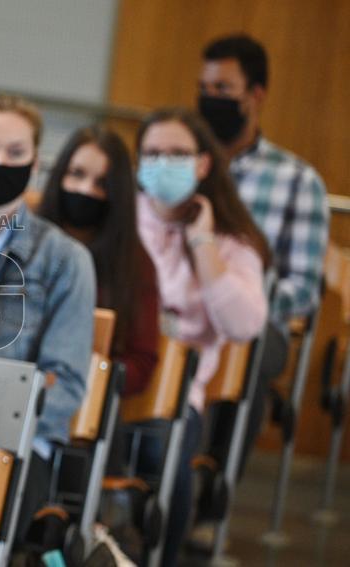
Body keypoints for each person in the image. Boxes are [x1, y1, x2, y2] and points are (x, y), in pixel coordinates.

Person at [0, 94, 96, 545]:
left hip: (18, 447)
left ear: (35, 163)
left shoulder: (66, 259)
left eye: (15, 153)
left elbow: (65, 385)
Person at [134, 108, 269, 567]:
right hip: (110, 375)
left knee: (165, 452)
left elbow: (244, 325)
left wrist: (202, 243)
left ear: (203, 163)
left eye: (177, 154)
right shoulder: (121, 218)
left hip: (175, 393)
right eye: (153, 154)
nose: (163, 164)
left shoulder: (230, 240)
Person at [198, 33, 330, 480]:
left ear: (256, 95)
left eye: (223, 89)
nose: (210, 98)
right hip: (180, 306)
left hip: (256, 324)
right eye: (204, 88)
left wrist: (239, 302)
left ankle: (213, 492)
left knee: (247, 350)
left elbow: (303, 290)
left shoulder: (298, 181)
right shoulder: (181, 164)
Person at [38, 125, 159, 397]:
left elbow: (141, 364)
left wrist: (89, 369)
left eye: (102, 184)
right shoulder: (26, 240)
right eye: (77, 174)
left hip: (87, 400)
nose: (86, 190)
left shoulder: (134, 263)